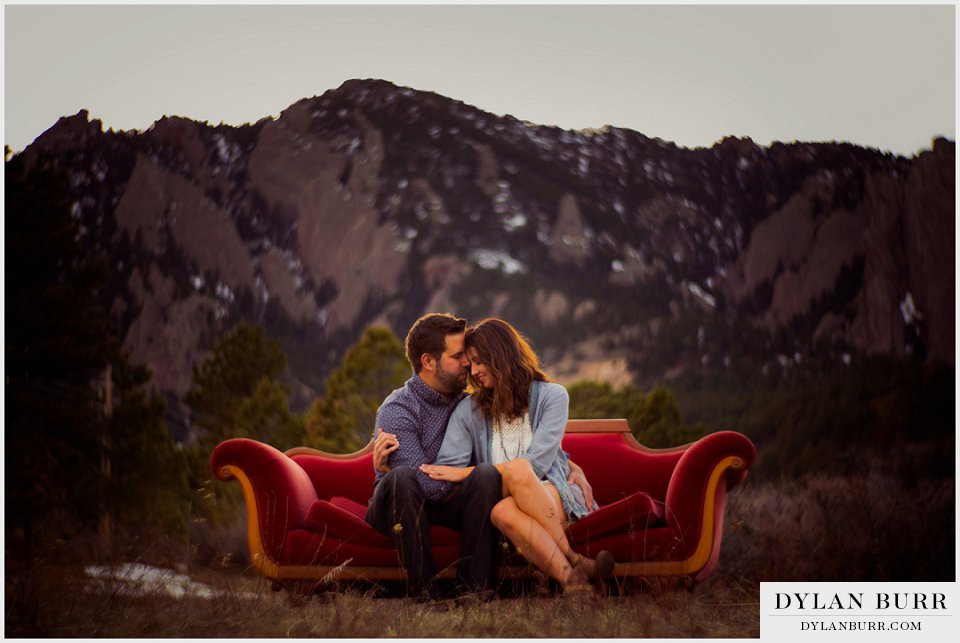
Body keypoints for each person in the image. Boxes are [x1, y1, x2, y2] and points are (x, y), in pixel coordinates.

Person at [419, 318, 614, 594]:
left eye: (479, 361)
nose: (473, 371)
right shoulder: (468, 411)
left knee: (521, 469)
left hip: (551, 489)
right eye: (470, 363)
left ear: (499, 355)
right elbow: (446, 468)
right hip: (505, 501)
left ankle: (572, 562)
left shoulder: (553, 396)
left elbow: (538, 464)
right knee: (501, 511)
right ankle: (575, 578)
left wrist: (469, 473)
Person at [364, 313, 502, 600]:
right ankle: (425, 591)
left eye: (466, 354)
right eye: (458, 356)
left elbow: (512, 445)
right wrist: (463, 474)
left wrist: (567, 465)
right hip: (398, 504)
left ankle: (472, 590)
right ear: (428, 361)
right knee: (403, 477)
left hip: (445, 502)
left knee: (487, 475)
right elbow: (424, 485)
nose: (468, 362)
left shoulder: (470, 403)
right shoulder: (398, 409)